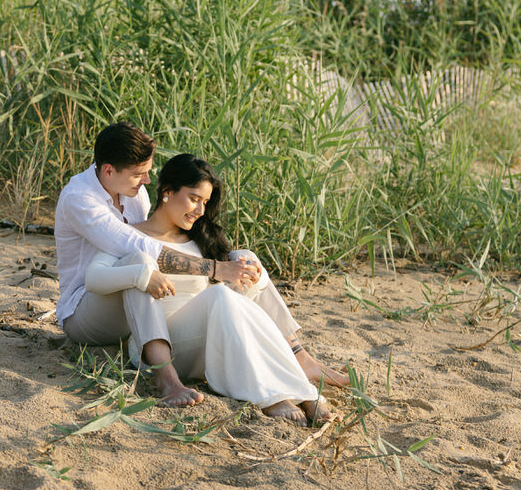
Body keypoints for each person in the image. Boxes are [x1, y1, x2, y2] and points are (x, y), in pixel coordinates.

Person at [54, 120, 348, 409]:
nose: (146, 181)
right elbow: (136, 245)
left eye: (147, 173)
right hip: (88, 309)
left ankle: (300, 360)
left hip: (150, 316)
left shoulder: (134, 192)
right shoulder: (80, 198)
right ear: (108, 170)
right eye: (138, 175)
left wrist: (247, 275)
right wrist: (213, 269)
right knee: (140, 265)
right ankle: (167, 380)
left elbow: (157, 232)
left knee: (239, 261)